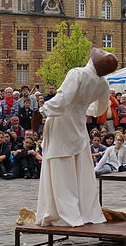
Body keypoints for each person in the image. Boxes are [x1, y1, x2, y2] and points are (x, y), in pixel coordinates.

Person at [35, 48, 116, 227]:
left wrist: (42, 110)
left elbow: (63, 98)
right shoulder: (103, 83)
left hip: (62, 123)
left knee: (61, 169)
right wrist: (82, 108)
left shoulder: (77, 73)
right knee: (79, 170)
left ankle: (64, 213)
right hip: (79, 125)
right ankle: (81, 210)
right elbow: (99, 109)